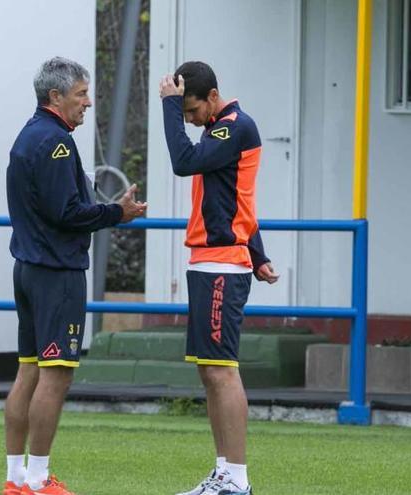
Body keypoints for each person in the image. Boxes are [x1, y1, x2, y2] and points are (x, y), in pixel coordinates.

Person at [3, 57, 147, 495]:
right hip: (56, 274)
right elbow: (67, 212)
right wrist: (116, 213)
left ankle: (15, 479)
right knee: (56, 373)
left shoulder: (28, 136)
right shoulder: (56, 143)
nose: (88, 103)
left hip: (27, 269)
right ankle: (39, 480)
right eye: (82, 94)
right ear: (56, 97)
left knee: (28, 371)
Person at [159, 61, 279, 495]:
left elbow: (183, 162)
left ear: (212, 97)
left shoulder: (233, 127)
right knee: (210, 372)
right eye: (184, 114)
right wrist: (260, 253)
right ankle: (224, 473)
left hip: (223, 264)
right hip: (211, 260)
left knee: (223, 371)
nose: (190, 120)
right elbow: (235, 199)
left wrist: (169, 107)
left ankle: (238, 480)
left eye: (192, 111)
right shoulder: (218, 129)